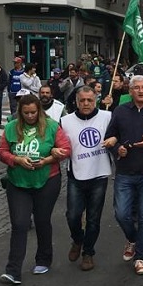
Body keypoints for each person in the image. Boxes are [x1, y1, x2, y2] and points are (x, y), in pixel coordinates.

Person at [0, 94, 71, 284]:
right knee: (19, 224)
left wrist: (48, 159)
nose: (30, 116)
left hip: (47, 179)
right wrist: (17, 160)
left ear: (39, 111)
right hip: (18, 182)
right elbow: (2, 152)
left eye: (33, 112)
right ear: (20, 113)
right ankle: (13, 270)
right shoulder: (11, 127)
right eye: (26, 113)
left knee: (42, 220)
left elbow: (66, 149)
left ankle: (44, 258)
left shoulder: (52, 126)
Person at [102, 75, 143, 276]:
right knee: (121, 213)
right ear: (130, 91)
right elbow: (109, 139)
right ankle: (132, 239)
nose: (141, 91)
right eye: (137, 88)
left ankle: (140, 257)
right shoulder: (120, 111)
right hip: (125, 171)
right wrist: (118, 151)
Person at [60, 86, 113, 271]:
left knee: (93, 218)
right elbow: (59, 144)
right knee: (72, 215)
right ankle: (77, 239)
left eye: (89, 100)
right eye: (82, 100)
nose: (86, 104)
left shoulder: (107, 117)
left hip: (99, 174)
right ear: (76, 101)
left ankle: (88, 252)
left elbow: (118, 136)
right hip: (76, 174)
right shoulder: (65, 121)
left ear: (96, 99)